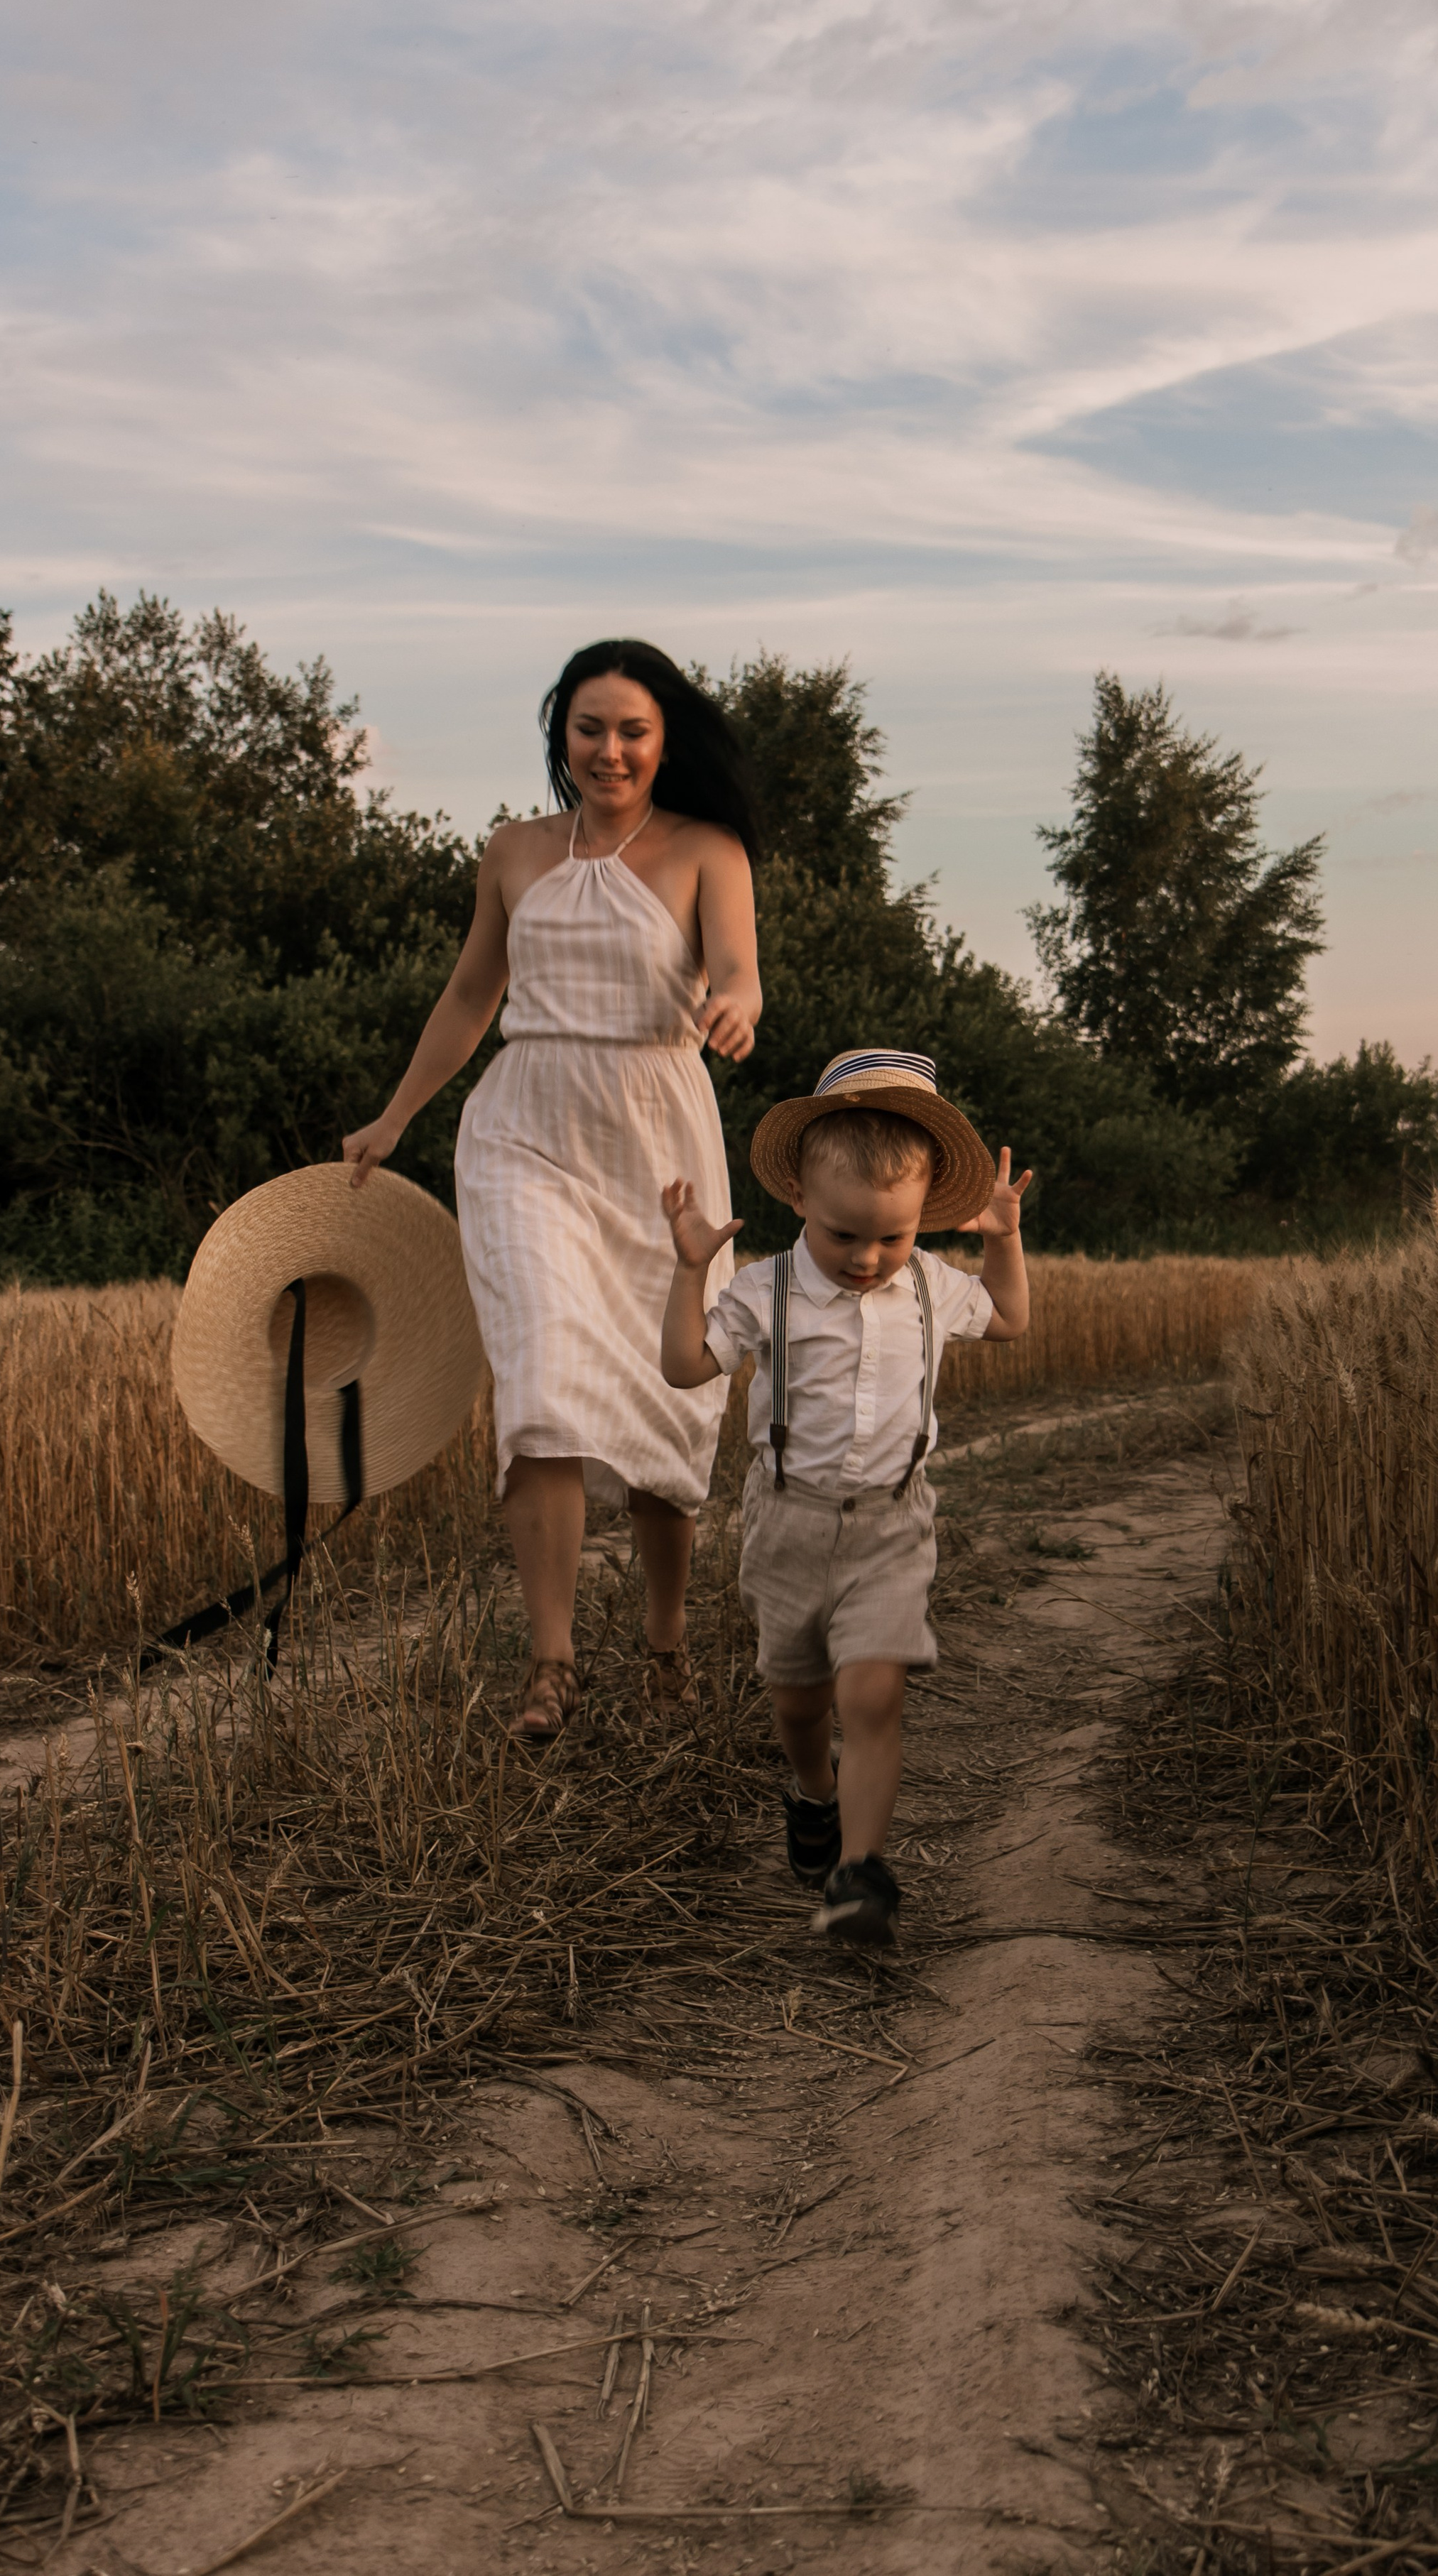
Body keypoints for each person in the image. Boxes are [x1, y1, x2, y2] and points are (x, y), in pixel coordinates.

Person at [342, 640, 761, 1740]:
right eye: (589, 728)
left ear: (665, 739)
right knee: (540, 1389)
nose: (609, 750)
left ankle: (665, 1653)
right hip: (525, 1129)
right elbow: (472, 993)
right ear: (559, 735)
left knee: (671, 1399)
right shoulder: (515, 851)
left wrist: (737, 1007)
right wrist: (395, 1117)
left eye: (632, 730)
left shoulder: (707, 849)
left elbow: (741, 970)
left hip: (659, 1144)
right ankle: (552, 1667)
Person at [659, 1049, 1031, 1945]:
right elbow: (681, 1367)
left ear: (922, 1217)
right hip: (787, 1521)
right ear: (798, 1199)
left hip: (893, 1523)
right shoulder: (764, 1291)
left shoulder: (934, 1288)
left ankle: (861, 1873)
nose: (867, 1258)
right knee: (799, 1702)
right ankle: (811, 1792)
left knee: (872, 1696)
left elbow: (1012, 1318)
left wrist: (1003, 1240)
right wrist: (687, 1271)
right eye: (843, 1236)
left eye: (892, 1238)